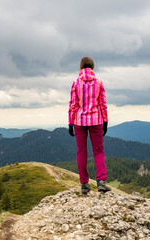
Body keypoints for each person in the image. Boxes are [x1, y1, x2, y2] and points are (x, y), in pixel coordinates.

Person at [68, 56, 111, 194]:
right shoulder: (99, 82)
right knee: (98, 151)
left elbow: (73, 104)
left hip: (79, 121)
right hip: (96, 120)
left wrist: (70, 122)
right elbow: (102, 103)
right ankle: (101, 182)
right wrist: (105, 121)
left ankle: (84, 184)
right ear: (92, 67)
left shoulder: (75, 83)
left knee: (81, 151)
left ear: (81, 67)